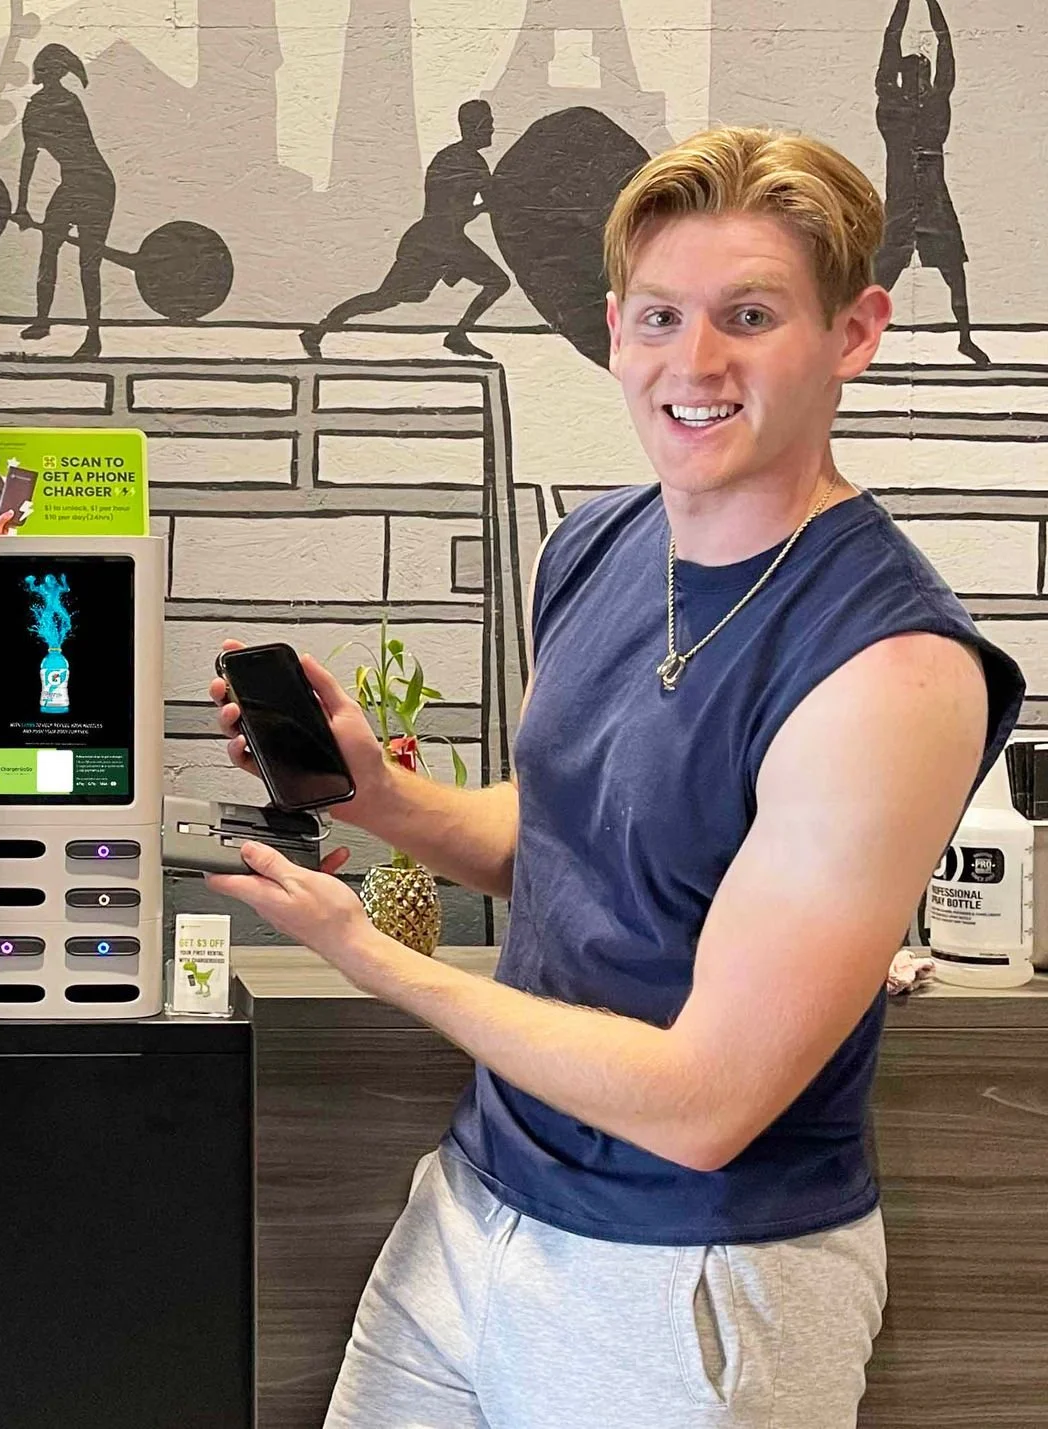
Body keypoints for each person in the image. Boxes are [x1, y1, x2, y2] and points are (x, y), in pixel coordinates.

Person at [210, 128, 1024, 1427]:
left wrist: (376, 959)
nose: (692, 364)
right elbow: (572, 840)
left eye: (748, 316)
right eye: (661, 316)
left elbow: (707, 1100)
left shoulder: (894, 672)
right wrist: (379, 798)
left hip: (691, 1275)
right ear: (613, 329)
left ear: (853, 332)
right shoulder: (595, 543)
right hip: (475, 1205)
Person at [302, 100, 511, 361]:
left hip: (441, 240)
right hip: (436, 241)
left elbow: (483, 202)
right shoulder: (467, 161)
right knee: (385, 298)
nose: (492, 130)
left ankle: (458, 335)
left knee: (390, 298)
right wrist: (487, 206)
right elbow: (463, 209)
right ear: (474, 126)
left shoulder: (456, 157)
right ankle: (318, 331)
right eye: (488, 124)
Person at [875, 0, 987, 365]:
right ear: (904, 77)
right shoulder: (891, 106)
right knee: (880, 277)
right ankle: (854, 337)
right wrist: (905, 4)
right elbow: (891, 43)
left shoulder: (937, 105)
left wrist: (931, 5)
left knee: (954, 269)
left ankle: (966, 338)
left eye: (924, 71)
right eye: (916, 71)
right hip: (903, 203)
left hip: (934, 200)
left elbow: (947, 52)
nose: (922, 78)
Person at [16, 43, 117, 360]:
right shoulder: (37, 108)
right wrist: (22, 206)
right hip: (72, 183)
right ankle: (43, 320)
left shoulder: (66, 104)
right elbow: (28, 159)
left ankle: (93, 335)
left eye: (50, 70)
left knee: (89, 263)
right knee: (49, 248)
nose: (46, 76)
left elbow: (43, 152)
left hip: (95, 184)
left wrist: (23, 205)